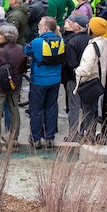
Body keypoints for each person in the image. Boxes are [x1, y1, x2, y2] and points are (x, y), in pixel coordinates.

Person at [24, 16, 64, 148]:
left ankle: (36, 138)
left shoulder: (37, 42)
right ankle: (50, 138)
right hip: (55, 79)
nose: (38, 27)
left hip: (39, 80)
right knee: (51, 108)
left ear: (45, 28)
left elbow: (27, 51)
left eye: (40, 25)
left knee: (36, 110)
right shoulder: (60, 40)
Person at [0, 23, 26, 150]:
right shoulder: (20, 48)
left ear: (6, 36)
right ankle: (13, 139)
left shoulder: (1, 52)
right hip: (14, 85)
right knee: (14, 111)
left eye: (0, 34)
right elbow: (23, 67)